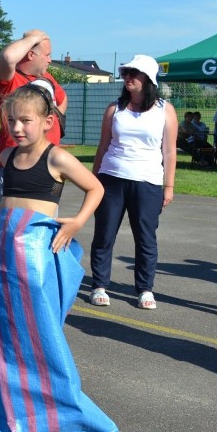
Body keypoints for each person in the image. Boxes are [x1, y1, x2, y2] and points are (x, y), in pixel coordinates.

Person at [0, 83, 117, 432]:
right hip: (1, 253)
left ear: (47, 121)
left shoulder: (57, 157)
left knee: (37, 331)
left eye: (25, 121)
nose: (17, 128)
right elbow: (5, 203)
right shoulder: (7, 158)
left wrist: (76, 222)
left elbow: (96, 188)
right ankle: (4, 405)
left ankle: (56, 407)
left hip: (32, 258)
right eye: (11, 120)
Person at [89, 55, 177, 310]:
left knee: (146, 238)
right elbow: (103, 146)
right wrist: (93, 182)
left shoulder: (165, 110)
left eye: (133, 73)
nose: (127, 77)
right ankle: (99, 284)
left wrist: (168, 186)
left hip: (148, 182)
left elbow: (169, 151)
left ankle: (145, 289)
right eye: (126, 72)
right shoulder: (114, 109)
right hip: (111, 179)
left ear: (148, 79)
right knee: (104, 234)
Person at [0, 29, 67, 207]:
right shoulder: (9, 79)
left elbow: (63, 98)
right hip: (15, 164)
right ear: (30, 54)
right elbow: (8, 57)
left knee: (45, 220)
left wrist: (52, 122)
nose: (49, 60)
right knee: (11, 221)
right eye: (47, 55)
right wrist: (34, 38)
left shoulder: (47, 78)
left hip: (48, 164)